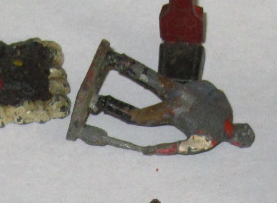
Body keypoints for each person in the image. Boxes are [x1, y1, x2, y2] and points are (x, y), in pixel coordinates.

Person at [80, 44, 254, 155]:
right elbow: (178, 147)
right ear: (236, 142)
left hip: (183, 92)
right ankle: (100, 102)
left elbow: (211, 89)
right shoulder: (209, 139)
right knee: (138, 116)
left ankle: (116, 58)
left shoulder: (226, 110)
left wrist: (189, 86)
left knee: (151, 78)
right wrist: (153, 149)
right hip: (174, 110)